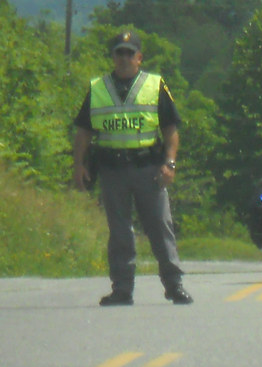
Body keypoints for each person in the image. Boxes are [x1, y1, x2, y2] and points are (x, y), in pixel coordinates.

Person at [72, 30, 193, 306]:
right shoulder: (98, 88)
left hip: (148, 168)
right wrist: (78, 165)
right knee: (120, 232)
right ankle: (122, 289)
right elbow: (83, 132)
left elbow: (171, 129)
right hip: (112, 170)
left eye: (129, 53)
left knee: (160, 227)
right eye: (119, 52)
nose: (124, 58)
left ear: (139, 58)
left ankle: (174, 285)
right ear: (112, 57)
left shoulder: (155, 85)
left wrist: (170, 163)